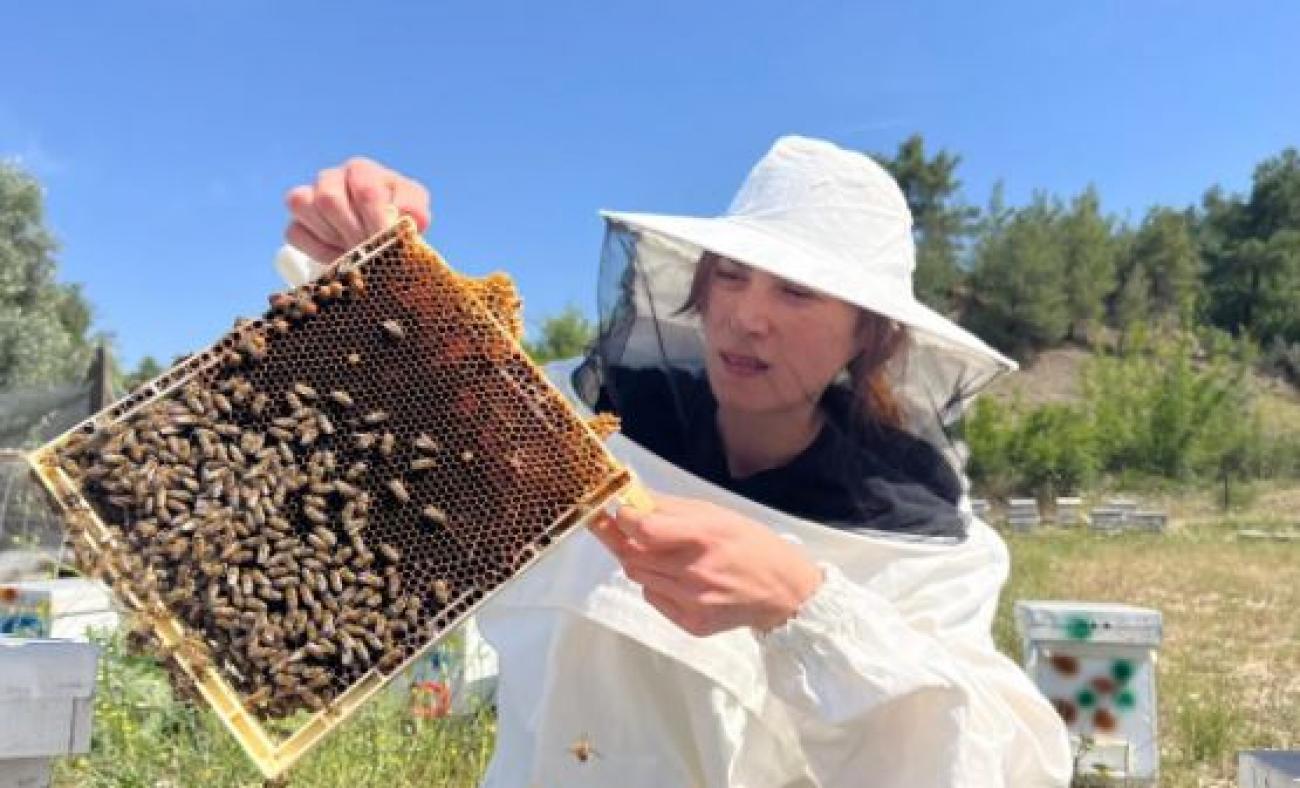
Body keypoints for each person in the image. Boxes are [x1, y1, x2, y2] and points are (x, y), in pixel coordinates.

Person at [282, 136, 1073, 787]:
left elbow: (994, 761)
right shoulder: (577, 420)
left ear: (866, 335)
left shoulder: (933, 552)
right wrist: (371, 268)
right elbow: (393, 445)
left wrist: (801, 601)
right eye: (731, 275)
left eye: (798, 292)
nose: (748, 315)